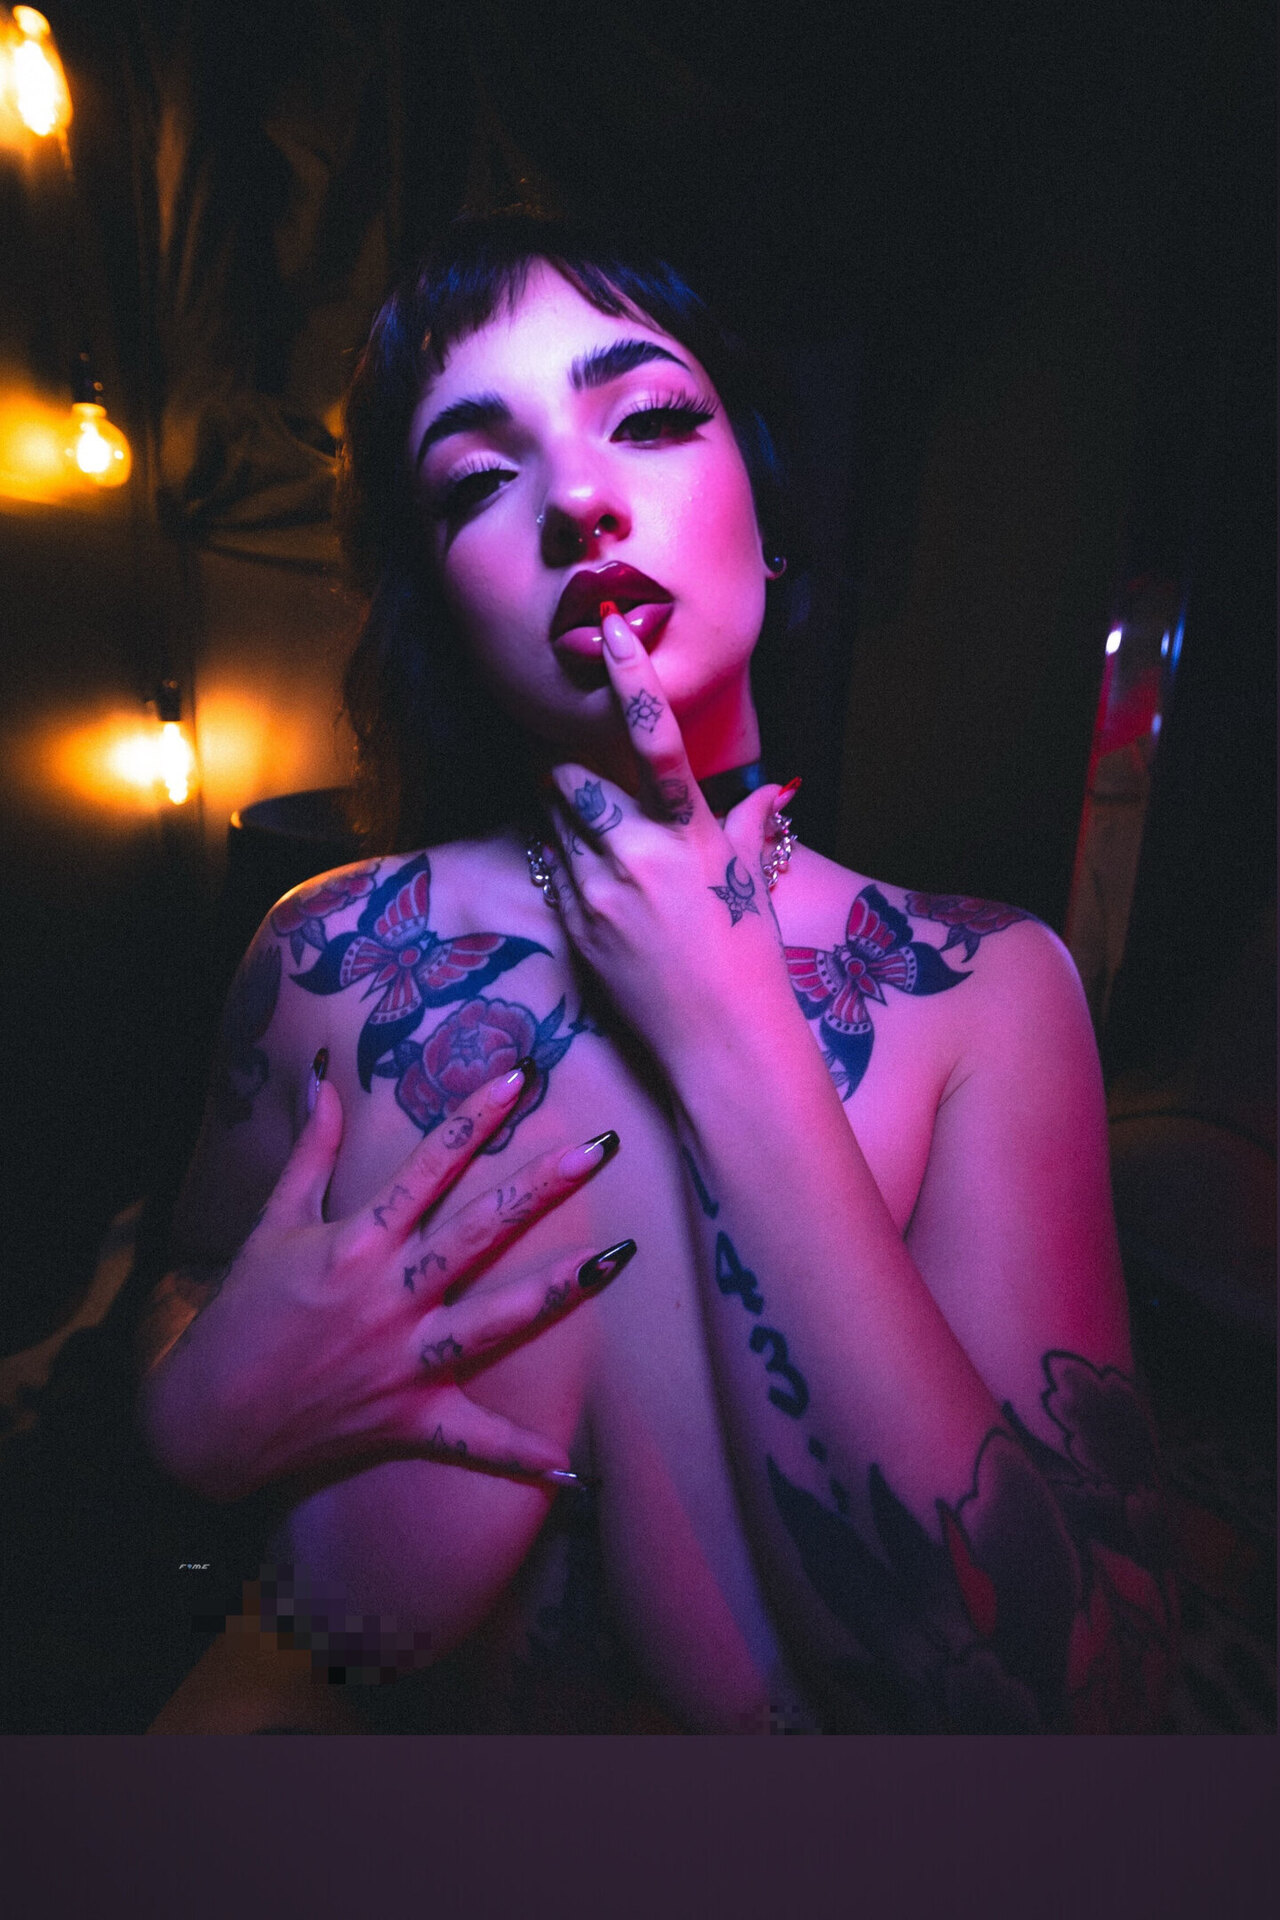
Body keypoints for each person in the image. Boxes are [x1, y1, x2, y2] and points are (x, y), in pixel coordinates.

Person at [139, 213, 1175, 1734]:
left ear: (768, 508)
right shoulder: (326, 954)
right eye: (477, 479)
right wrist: (187, 1419)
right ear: (442, 605)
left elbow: (1087, 1702)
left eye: (650, 417)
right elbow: (187, 1288)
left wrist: (732, 1028)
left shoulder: (984, 992)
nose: (576, 497)